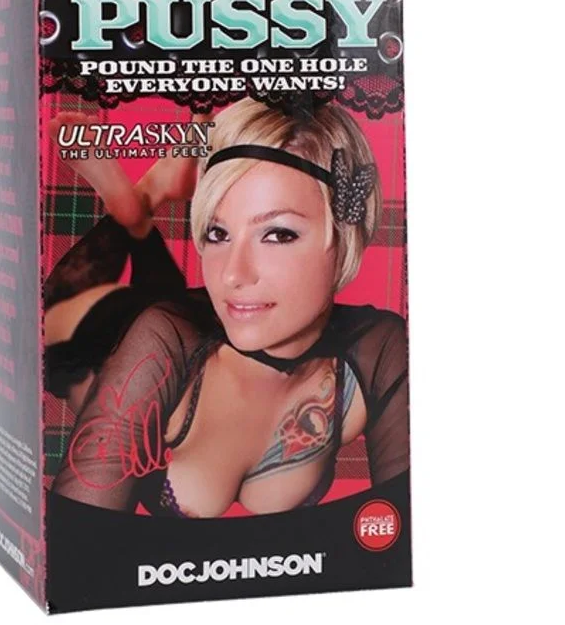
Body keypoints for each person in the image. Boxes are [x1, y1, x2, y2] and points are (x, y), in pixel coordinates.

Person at [43, 99, 408, 517]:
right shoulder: (162, 336)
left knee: (168, 301)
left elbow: (400, 532)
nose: (232, 273)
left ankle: (145, 200)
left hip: (189, 315)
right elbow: (79, 539)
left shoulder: (377, 349)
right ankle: (139, 202)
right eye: (217, 233)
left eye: (278, 234)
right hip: (96, 331)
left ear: (346, 235)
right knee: (55, 316)